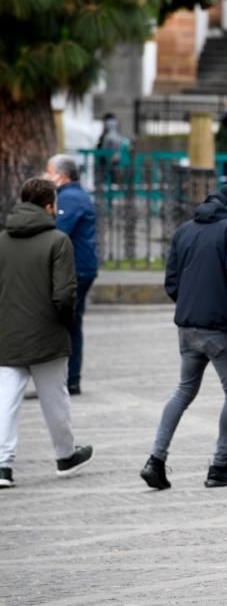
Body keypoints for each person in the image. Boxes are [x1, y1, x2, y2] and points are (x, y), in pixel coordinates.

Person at [140, 185, 227, 490]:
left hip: (187, 327)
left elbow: (171, 282)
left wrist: (191, 305)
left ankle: (156, 459)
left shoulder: (184, 230)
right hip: (219, 328)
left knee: (183, 391)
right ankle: (220, 466)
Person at [0, 179, 94, 489]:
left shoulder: (3, 239)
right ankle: (65, 456)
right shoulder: (58, 241)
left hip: (8, 333)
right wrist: (64, 323)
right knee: (55, 399)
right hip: (47, 333)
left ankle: (3, 466)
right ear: (49, 205)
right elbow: (65, 294)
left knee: (6, 401)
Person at [46, 155, 98, 396]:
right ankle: (69, 380)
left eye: (49, 172)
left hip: (76, 270)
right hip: (80, 267)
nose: (46, 176)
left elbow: (57, 233)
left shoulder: (70, 198)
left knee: (64, 324)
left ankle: (65, 380)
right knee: (71, 323)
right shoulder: (72, 196)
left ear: (62, 175)